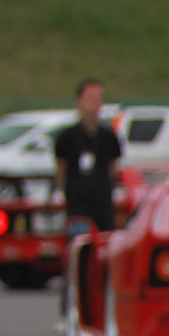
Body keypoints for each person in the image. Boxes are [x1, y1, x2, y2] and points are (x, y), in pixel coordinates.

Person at [53, 79, 123, 233]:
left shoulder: (110, 138)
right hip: (77, 204)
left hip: (103, 203)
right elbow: (60, 171)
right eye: (91, 98)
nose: (95, 103)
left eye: (99, 98)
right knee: (80, 244)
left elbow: (113, 170)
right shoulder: (66, 138)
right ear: (80, 101)